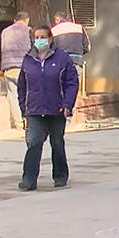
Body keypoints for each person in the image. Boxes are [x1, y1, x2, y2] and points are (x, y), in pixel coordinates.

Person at [17, 25, 79, 191]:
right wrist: (24, 107)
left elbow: (72, 83)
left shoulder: (62, 58)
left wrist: (67, 104)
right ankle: (28, 180)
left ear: (50, 39)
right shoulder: (28, 59)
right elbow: (22, 85)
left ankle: (60, 176)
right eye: (36, 37)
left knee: (57, 142)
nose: (39, 40)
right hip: (35, 109)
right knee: (34, 142)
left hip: (57, 109)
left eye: (43, 37)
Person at [0, 12, 31, 129]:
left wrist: (2, 68)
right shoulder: (29, 31)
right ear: (27, 21)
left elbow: (0, 50)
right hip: (26, 68)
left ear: (14, 20)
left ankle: (18, 123)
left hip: (9, 67)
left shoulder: (5, 32)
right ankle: (28, 120)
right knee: (28, 94)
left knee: (13, 95)